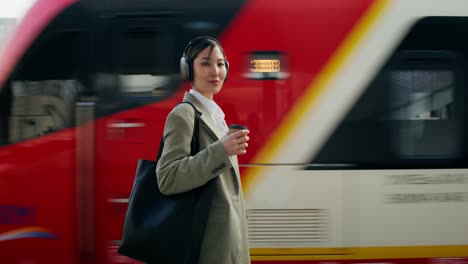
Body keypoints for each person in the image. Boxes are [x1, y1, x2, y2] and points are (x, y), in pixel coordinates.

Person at [156, 36, 251, 264]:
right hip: (207, 245)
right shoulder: (183, 114)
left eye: (220, 64)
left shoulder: (217, 115)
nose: (215, 71)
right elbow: (168, 177)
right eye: (205, 63)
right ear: (188, 69)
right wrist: (221, 150)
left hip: (229, 239)